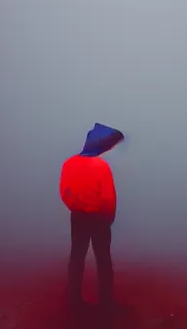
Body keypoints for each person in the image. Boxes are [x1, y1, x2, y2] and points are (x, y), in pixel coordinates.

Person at [59, 123, 124, 314]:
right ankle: (106, 303)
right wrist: (109, 218)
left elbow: (64, 192)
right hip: (99, 219)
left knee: (77, 257)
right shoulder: (100, 166)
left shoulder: (69, 163)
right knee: (103, 260)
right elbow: (108, 197)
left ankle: (73, 299)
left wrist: (75, 207)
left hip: (78, 217)